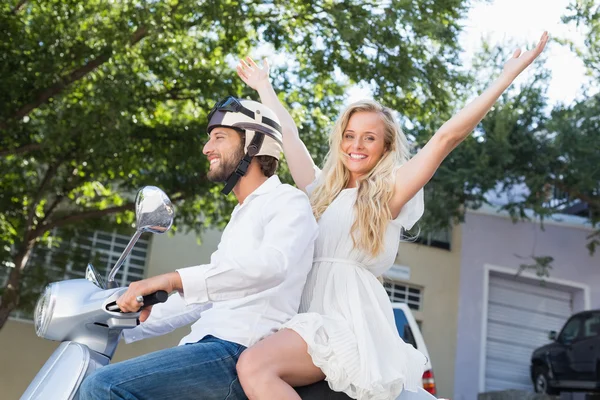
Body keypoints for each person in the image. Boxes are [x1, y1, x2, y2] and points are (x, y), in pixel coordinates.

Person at [234, 32, 549, 400]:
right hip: (305, 314)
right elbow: (289, 137)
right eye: (350, 135)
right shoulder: (320, 192)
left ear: (385, 145)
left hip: (346, 323)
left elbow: (447, 137)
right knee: (252, 369)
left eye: (369, 137)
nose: (356, 145)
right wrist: (264, 86)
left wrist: (505, 77)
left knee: (255, 366)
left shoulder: (388, 193)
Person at [79, 97, 319, 399]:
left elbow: (272, 266)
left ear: (254, 146)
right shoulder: (242, 214)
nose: (207, 148)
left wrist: (172, 279)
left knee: (103, 386)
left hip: (238, 349)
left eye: (219, 137)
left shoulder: (287, 201)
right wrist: (119, 320)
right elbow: (202, 299)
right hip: (208, 347)